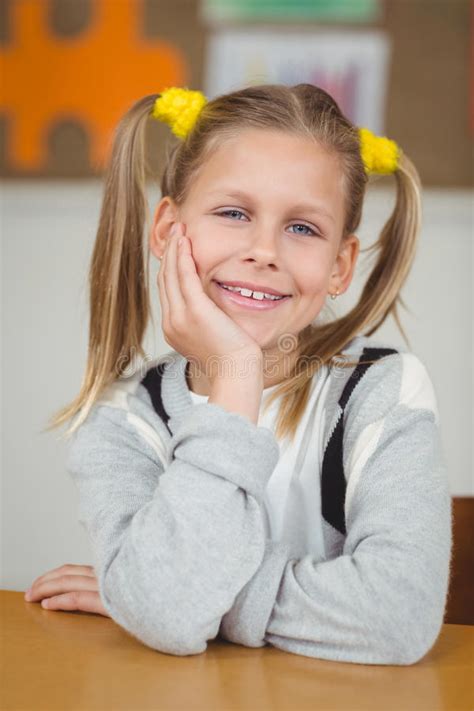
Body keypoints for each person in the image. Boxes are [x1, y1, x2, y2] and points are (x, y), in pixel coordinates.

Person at [24, 84, 452, 665]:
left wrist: (173, 594)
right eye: (233, 213)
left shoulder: (379, 389)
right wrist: (235, 379)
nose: (263, 250)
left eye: (303, 228)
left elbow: (398, 616)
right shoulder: (127, 417)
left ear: (340, 266)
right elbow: (171, 614)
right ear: (168, 229)